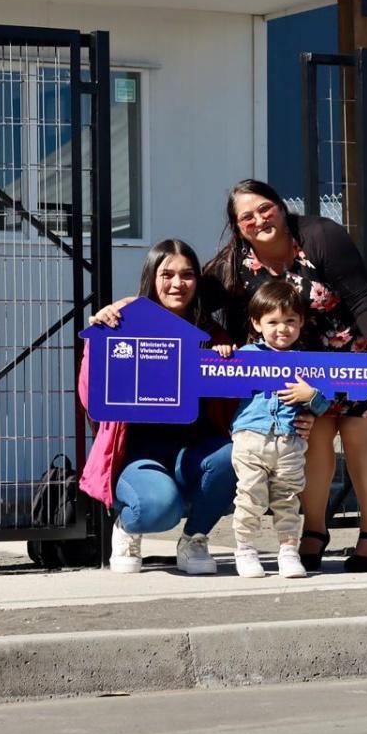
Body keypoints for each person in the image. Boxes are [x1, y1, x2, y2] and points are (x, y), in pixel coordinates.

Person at [203, 179, 367, 573]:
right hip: (298, 364)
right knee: (313, 434)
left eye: (265, 208)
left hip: (359, 349)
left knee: (357, 431)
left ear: (281, 208)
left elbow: (362, 295)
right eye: (247, 216)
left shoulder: (320, 236)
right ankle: (313, 531)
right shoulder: (234, 264)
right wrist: (131, 308)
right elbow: (190, 299)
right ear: (237, 227)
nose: (259, 219)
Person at [79, 239, 235, 575]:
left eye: (187, 275)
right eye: (168, 274)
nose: (177, 284)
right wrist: (101, 337)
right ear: (152, 277)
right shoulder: (122, 324)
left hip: (194, 452)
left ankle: (194, 540)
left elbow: (238, 396)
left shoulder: (213, 334)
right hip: (138, 454)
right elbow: (91, 397)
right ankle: (127, 527)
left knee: (235, 457)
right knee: (160, 507)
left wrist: (226, 361)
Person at [217, 280, 330, 579]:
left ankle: (288, 552)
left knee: (288, 499)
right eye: (273, 322)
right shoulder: (246, 354)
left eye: (290, 321)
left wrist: (312, 398)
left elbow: (323, 405)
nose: (283, 329)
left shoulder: (309, 363)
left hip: (290, 442)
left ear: (301, 322)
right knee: (250, 496)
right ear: (257, 323)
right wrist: (224, 351)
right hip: (251, 439)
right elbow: (219, 376)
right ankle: (245, 549)